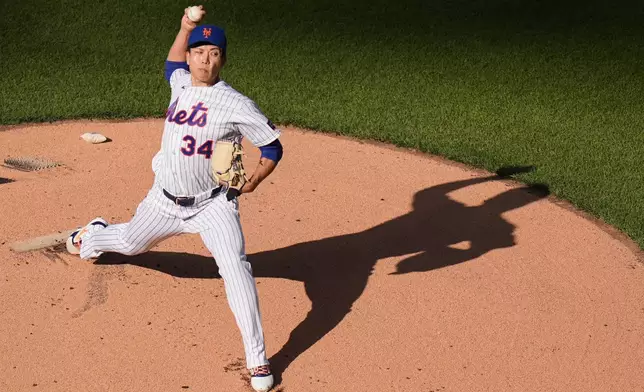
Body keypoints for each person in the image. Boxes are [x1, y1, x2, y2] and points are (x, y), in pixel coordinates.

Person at [65, 6, 282, 392]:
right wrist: (185, 27)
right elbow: (170, 63)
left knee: (235, 268)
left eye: (214, 53)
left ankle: (258, 360)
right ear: (191, 56)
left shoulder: (236, 103)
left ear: (223, 60)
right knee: (130, 242)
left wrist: (254, 180)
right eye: (199, 51)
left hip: (213, 204)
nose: (205, 59)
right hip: (163, 201)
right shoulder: (180, 83)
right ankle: (94, 234)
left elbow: (272, 148)